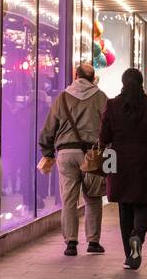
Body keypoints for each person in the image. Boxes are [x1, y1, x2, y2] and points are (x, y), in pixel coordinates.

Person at [37, 62, 108, 256]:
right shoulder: (101, 97)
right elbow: (108, 126)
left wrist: (48, 151)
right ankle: (93, 242)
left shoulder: (62, 97)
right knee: (93, 198)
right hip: (92, 154)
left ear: (76, 76)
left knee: (68, 199)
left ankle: (71, 243)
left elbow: (49, 127)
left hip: (66, 153)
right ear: (93, 78)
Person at [101, 68, 147, 270]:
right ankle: (137, 235)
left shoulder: (112, 105)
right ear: (142, 83)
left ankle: (129, 257)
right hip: (145, 160)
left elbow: (104, 138)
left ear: (123, 82)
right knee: (143, 204)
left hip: (119, 161)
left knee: (124, 207)